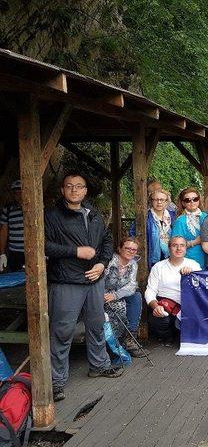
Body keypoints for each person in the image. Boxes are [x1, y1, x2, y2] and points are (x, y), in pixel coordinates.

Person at [45, 172, 121, 402]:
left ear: (86, 190)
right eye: (70, 186)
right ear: (62, 190)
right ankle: (56, 381)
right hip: (67, 281)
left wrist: (102, 263)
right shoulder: (53, 216)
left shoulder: (94, 214)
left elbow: (107, 241)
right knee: (62, 331)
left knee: (96, 325)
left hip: (94, 280)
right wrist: (75, 251)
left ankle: (99, 365)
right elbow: (44, 245)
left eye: (79, 186)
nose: (75, 190)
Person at [145, 236, 200, 344]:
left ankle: (178, 333)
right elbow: (150, 291)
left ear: (185, 248)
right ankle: (168, 336)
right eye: (175, 245)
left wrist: (192, 275)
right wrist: (155, 306)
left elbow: (201, 290)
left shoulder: (194, 265)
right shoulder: (158, 266)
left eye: (182, 245)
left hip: (188, 306)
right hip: (166, 304)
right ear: (169, 248)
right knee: (159, 320)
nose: (178, 248)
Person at [103, 237, 145, 357]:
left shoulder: (133, 264)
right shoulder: (110, 261)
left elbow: (131, 285)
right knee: (119, 306)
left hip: (117, 294)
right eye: (128, 248)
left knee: (136, 296)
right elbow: (99, 280)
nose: (131, 251)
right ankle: (113, 344)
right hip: (102, 294)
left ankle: (129, 337)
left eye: (134, 249)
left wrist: (115, 295)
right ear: (120, 248)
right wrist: (105, 295)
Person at [130, 188, 175, 270]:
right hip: (151, 256)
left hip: (170, 255)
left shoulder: (173, 216)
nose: (159, 202)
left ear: (166, 202)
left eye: (162, 199)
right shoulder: (144, 217)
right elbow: (133, 234)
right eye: (156, 199)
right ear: (151, 201)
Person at [171, 188, 207, 268]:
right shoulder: (180, 221)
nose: (192, 202)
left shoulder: (206, 216)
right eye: (188, 200)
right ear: (183, 203)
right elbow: (174, 245)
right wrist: (195, 242)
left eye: (195, 199)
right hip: (189, 262)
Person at [0, 180, 24, 272]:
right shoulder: (8, 209)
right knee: (16, 279)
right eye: (16, 193)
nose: (19, 196)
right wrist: (2, 253)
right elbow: (3, 232)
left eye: (21, 192)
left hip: (31, 251)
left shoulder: (32, 208)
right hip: (15, 253)